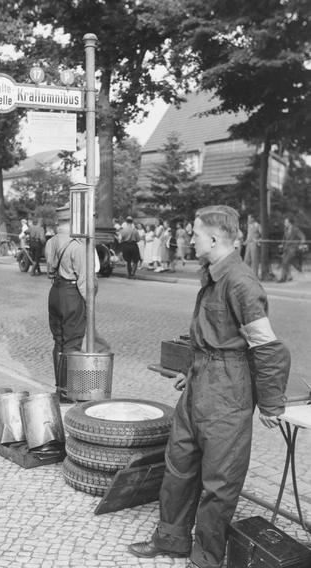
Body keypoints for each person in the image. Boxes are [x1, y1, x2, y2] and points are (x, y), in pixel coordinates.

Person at [129, 205, 290, 568]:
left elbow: (265, 346)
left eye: (196, 233)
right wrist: (192, 368)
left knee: (219, 483)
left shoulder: (241, 282)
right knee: (179, 464)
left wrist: (270, 403)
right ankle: (171, 540)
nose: (190, 237)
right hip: (200, 385)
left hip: (228, 394)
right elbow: (209, 336)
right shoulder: (212, 275)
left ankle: (205, 558)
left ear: (214, 239)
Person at [45, 205, 87, 402]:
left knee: (59, 341)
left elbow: (49, 271)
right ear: (73, 221)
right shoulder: (76, 245)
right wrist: (89, 303)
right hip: (71, 293)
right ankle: (69, 392)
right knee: (72, 342)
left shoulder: (51, 242)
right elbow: (84, 281)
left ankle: (59, 388)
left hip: (55, 292)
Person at [278, 216, 306, 283]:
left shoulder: (295, 229)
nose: (284, 223)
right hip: (286, 248)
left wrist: (301, 244)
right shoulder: (286, 229)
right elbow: (284, 238)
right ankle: (290, 276)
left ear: (289, 223)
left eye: (286, 222)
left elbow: (303, 237)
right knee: (284, 262)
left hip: (292, 249)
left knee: (285, 262)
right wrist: (282, 244)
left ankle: (283, 278)